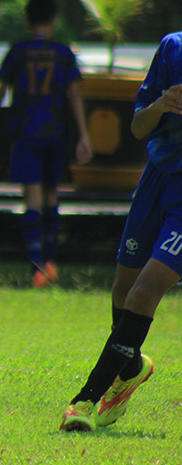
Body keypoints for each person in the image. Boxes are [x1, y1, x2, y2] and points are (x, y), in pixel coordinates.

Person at [57, 31, 182, 432]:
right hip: (156, 181)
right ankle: (130, 368)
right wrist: (162, 104)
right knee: (123, 290)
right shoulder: (172, 48)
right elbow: (138, 128)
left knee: (145, 292)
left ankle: (84, 401)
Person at [0, 0, 93, 288]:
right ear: (54, 21)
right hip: (56, 132)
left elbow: (1, 93)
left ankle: (36, 265)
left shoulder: (19, 51)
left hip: (26, 133)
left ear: (27, 21)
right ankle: (51, 261)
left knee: (32, 198)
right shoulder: (63, 53)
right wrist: (84, 135)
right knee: (51, 195)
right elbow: (74, 94)